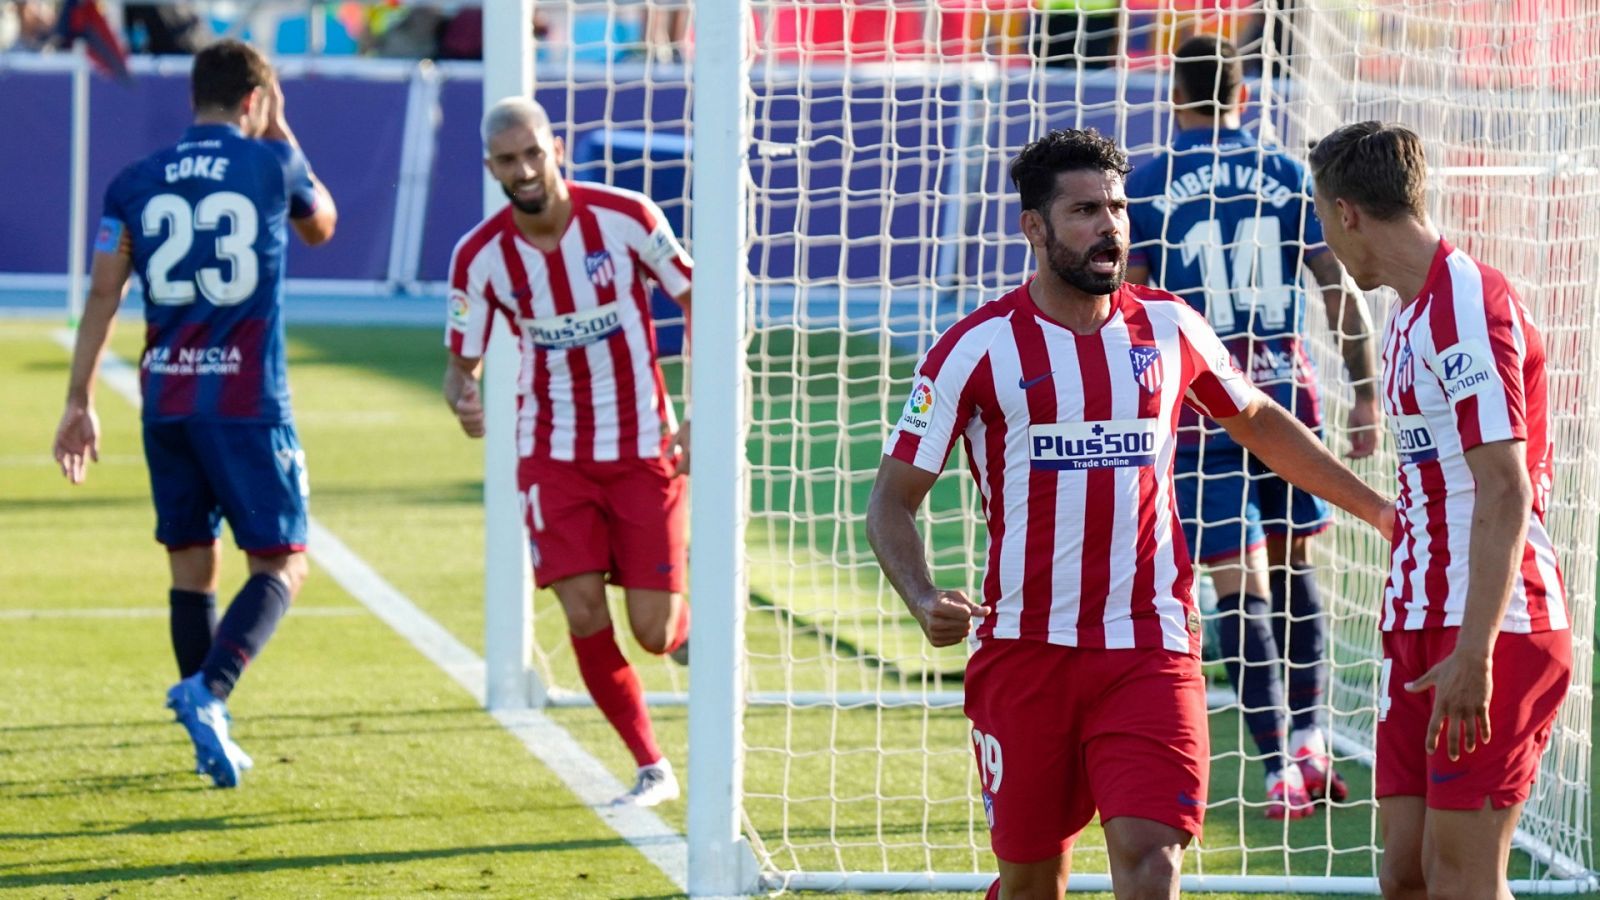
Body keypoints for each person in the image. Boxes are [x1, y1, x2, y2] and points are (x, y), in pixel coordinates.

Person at [867, 127, 1392, 900]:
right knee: (1031, 882)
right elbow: (891, 499)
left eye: (1116, 207)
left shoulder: (1172, 326)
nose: (1109, 225)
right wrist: (918, 593)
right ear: (1035, 228)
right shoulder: (974, 349)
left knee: (1153, 862)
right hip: (1024, 654)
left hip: (1151, 648)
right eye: (1084, 210)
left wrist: (1379, 510)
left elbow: (1258, 422)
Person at [52, 39, 337, 788]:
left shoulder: (133, 183)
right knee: (284, 563)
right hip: (246, 401)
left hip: (167, 401)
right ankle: (210, 694)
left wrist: (79, 399)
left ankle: (208, 731)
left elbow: (103, 294)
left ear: (193, 98)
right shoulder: (273, 165)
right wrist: (284, 134)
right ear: (255, 101)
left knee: (192, 569)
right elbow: (323, 224)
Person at [1309, 121, 1571, 900]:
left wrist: (1476, 651)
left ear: (1348, 213)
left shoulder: (1465, 303)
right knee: (1408, 875)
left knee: (1463, 881)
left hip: (1492, 625)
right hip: (1417, 614)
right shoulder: (1409, 314)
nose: (1322, 234)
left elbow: (1506, 488)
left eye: (1321, 216)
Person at [1125, 34, 1380, 818]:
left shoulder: (1151, 179)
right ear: (1243, 95)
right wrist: (1365, 391)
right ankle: (1309, 735)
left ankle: (1278, 767)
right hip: (1288, 404)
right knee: (1295, 567)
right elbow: (1332, 282)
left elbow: (1130, 308)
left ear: (1177, 94)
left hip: (1205, 414)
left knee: (1238, 587)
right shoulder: (1284, 172)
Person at [443, 97, 693, 808]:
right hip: (550, 454)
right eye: (507, 160)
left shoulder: (627, 215)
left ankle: (682, 626)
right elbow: (460, 364)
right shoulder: (479, 256)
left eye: (532, 154)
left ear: (555, 149)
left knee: (653, 632)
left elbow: (696, 296)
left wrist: (701, 412)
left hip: (644, 443)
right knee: (581, 610)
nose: (523, 171)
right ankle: (651, 766)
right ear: (490, 166)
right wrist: (462, 395)